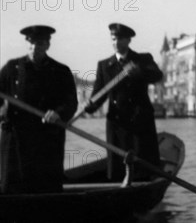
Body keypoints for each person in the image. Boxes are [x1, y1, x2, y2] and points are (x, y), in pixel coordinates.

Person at [0, 25, 77, 194]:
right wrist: (2, 111)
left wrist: (58, 113)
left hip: (47, 139)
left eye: (40, 43)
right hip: (17, 141)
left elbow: (71, 102)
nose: (35, 47)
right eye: (32, 43)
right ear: (27, 43)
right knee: (12, 188)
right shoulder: (11, 68)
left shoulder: (60, 71)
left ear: (48, 45)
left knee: (46, 187)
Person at [84, 23, 163, 181]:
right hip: (117, 124)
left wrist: (139, 72)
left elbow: (157, 76)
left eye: (120, 40)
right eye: (113, 39)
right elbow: (99, 95)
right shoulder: (105, 65)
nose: (116, 43)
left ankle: (145, 184)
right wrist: (90, 107)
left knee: (144, 164)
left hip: (140, 122)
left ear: (128, 41)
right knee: (117, 167)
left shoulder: (142, 59)